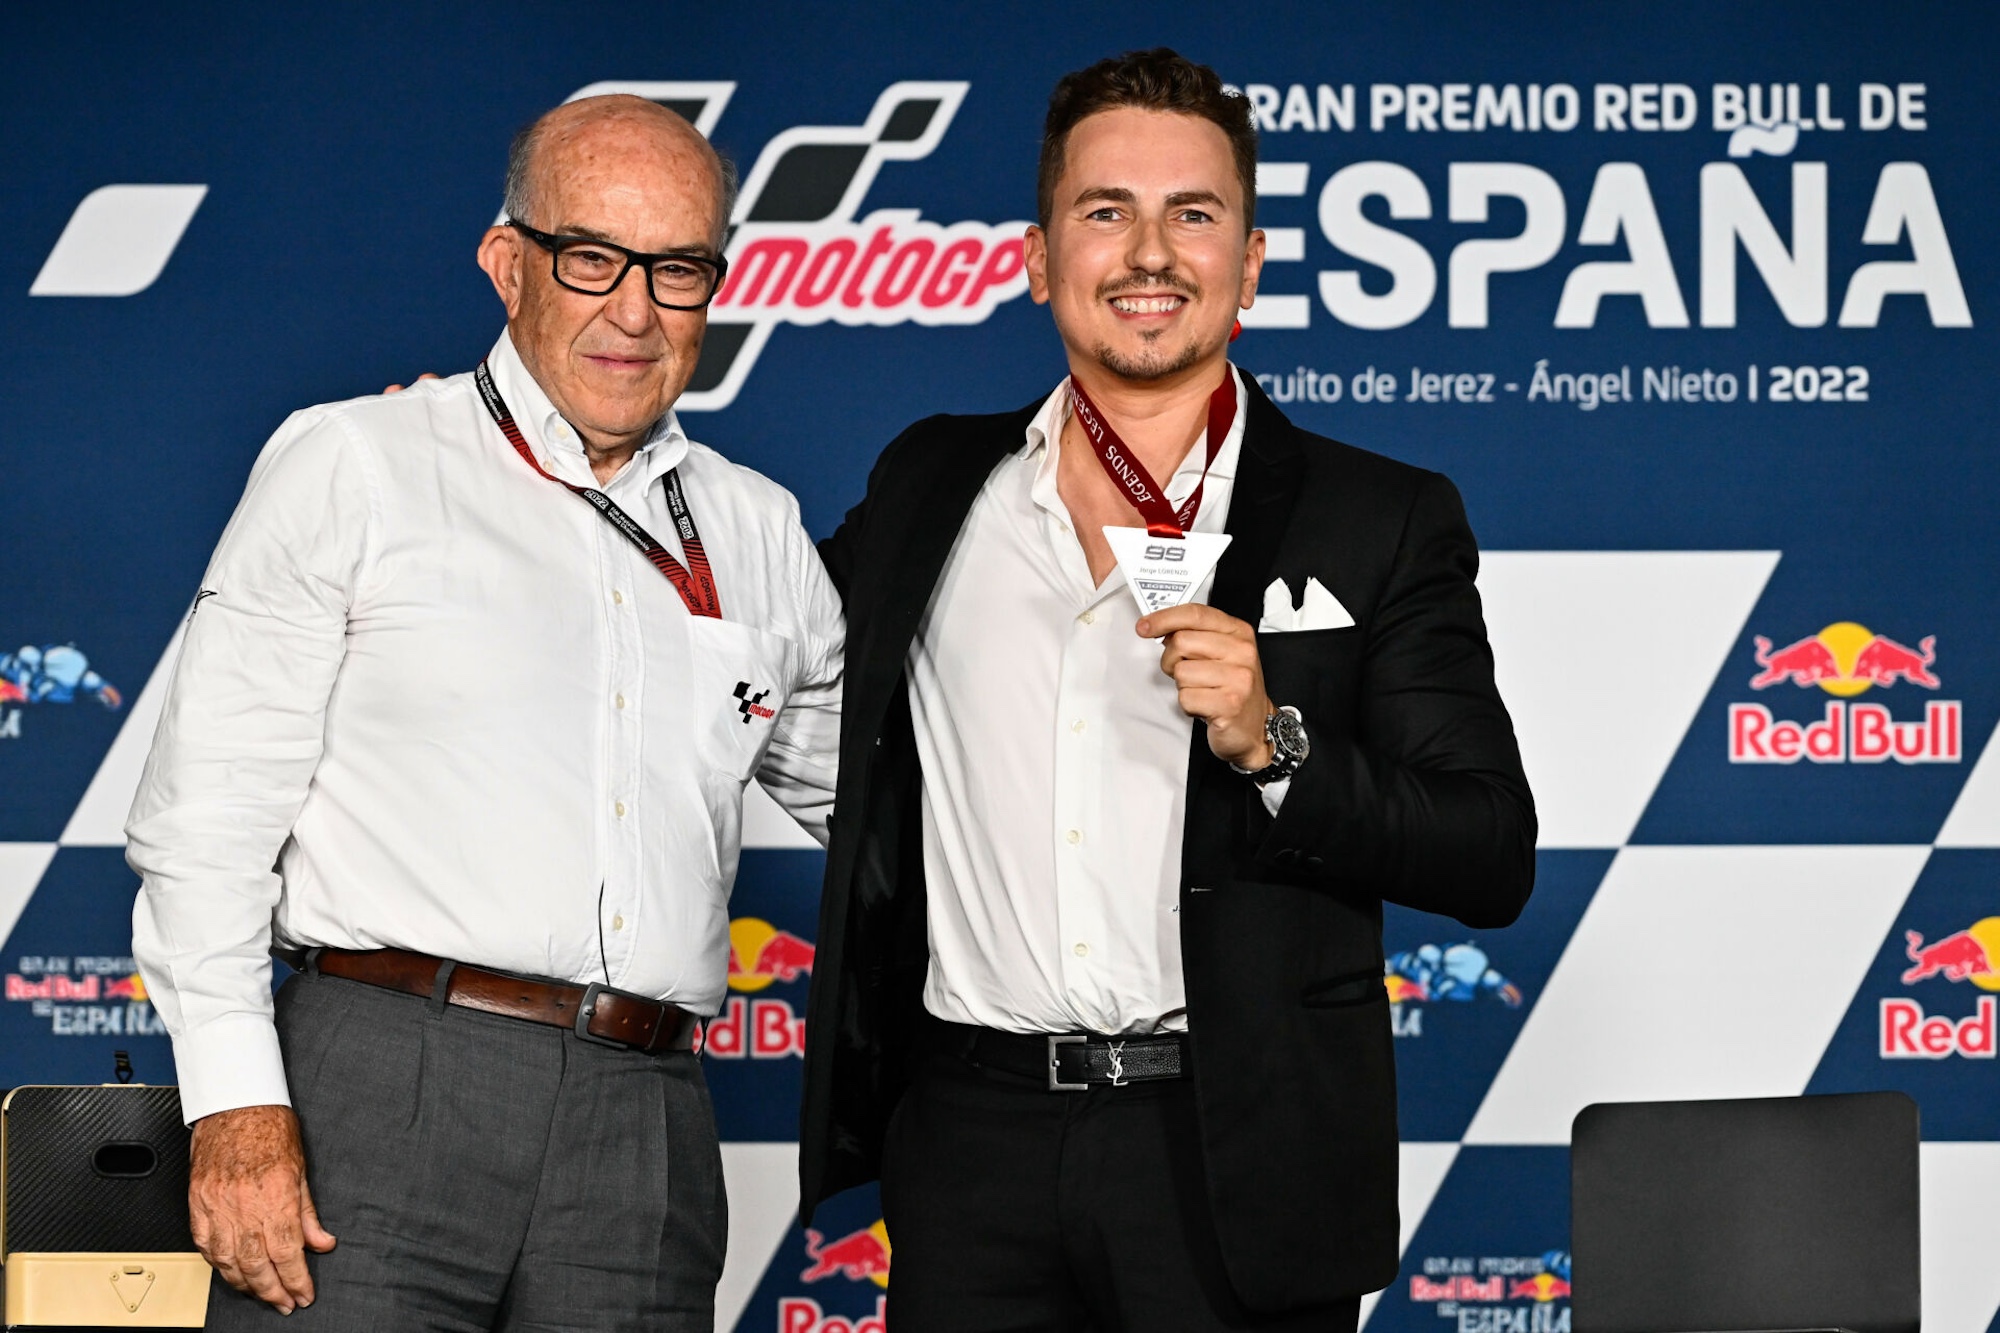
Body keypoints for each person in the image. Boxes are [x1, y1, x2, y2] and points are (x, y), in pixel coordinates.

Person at [799, 49, 1535, 1332]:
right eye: (1105, 212)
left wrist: (1272, 743)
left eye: (1192, 214)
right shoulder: (927, 484)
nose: (1149, 252)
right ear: (1036, 259)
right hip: (971, 1147)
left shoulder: (1381, 516)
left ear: (1247, 263)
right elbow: (752, 655)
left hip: (1233, 1158)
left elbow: (1488, 849)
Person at [127, 94, 842, 1330]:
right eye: (590, 259)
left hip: (646, 1127)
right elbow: (206, 823)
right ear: (507, 263)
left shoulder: (758, 529)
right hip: (376, 1089)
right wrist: (234, 1108)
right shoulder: (354, 464)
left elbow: (895, 807)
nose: (634, 308)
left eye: (676, 269)